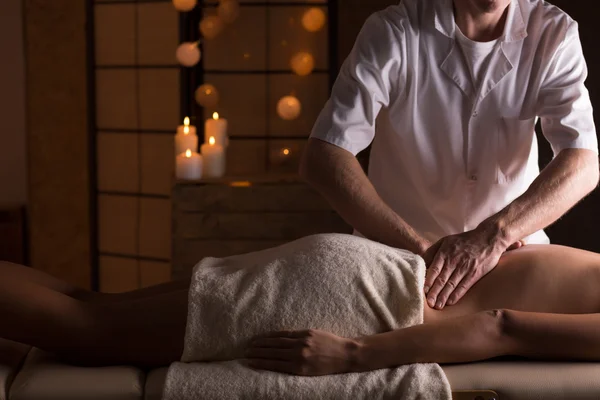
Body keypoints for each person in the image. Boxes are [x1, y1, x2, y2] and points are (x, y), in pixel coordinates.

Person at [301, 0, 599, 311]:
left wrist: (495, 235)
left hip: (511, 250)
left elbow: (582, 164)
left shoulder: (554, 32)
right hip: (397, 255)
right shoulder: (394, 30)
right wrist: (424, 252)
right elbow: (325, 154)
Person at [2, 242, 600, 374]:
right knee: (86, 328)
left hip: (364, 269)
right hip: (363, 301)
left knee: (92, 307)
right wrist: (352, 353)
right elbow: (502, 327)